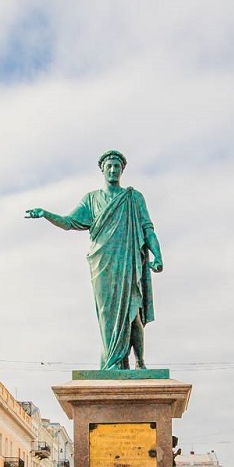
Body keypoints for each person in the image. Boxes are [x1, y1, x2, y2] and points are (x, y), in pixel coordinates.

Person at [26, 150, 163, 370]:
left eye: (117, 166)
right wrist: (46, 214)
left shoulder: (133, 198)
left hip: (128, 261)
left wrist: (158, 255)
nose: (113, 170)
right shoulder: (91, 200)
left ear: (122, 170)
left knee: (133, 312)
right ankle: (114, 362)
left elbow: (148, 229)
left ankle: (140, 362)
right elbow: (68, 222)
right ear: (102, 170)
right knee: (107, 316)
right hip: (102, 264)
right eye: (109, 166)